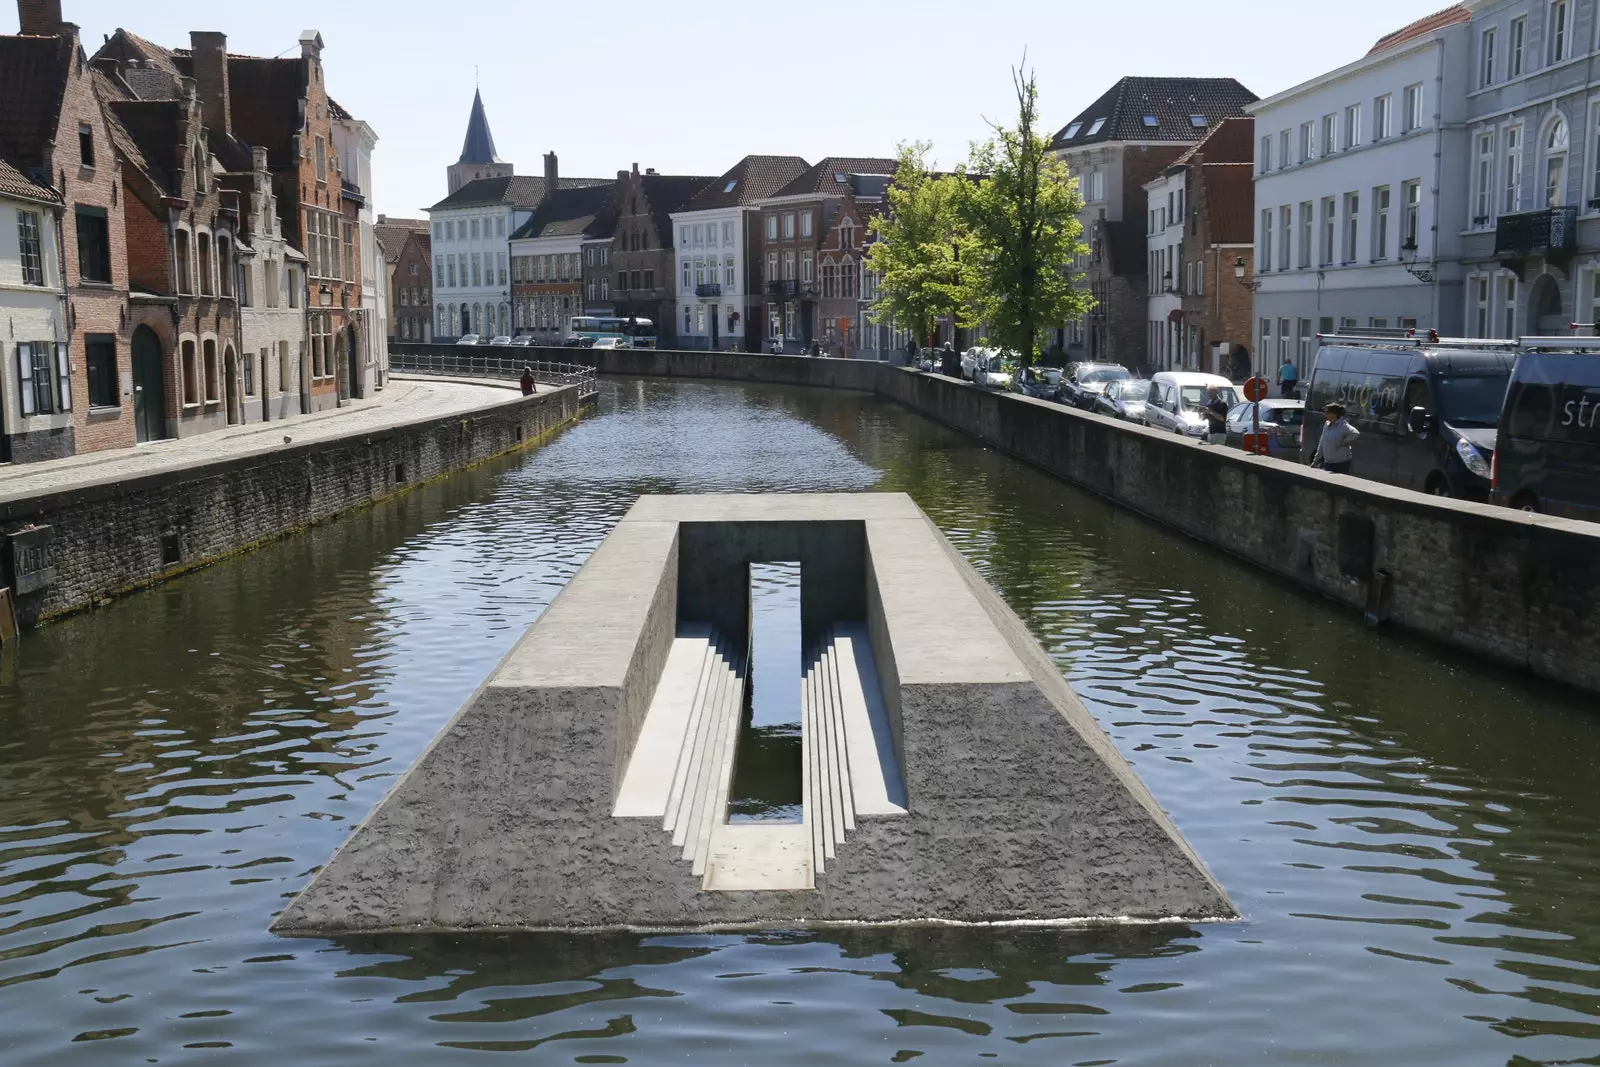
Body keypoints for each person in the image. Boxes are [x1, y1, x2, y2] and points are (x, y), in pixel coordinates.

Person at [1315, 402, 1360, 473]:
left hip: (1341, 463)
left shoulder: (1343, 425)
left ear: (1334, 414)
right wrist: (1316, 460)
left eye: (1327, 412)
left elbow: (1355, 433)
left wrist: (1345, 441)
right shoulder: (1327, 424)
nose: (1325, 414)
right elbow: (1322, 442)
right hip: (1328, 463)